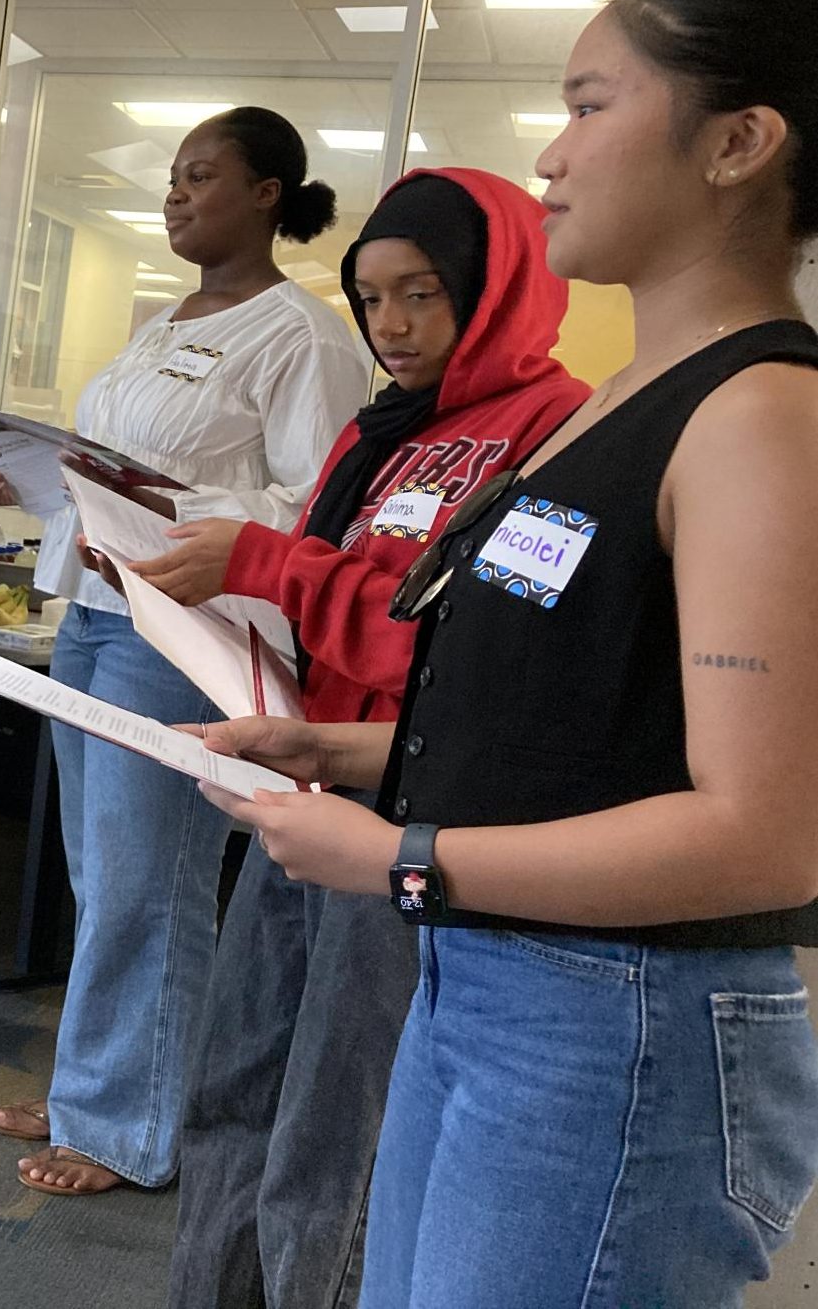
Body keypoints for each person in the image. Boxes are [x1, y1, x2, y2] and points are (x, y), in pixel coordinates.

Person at [200, 0, 818, 1307]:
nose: (549, 154)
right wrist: (344, 753)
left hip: (617, 1024)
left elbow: (762, 831)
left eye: (591, 105)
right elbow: (584, 718)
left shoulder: (762, 417)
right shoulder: (625, 400)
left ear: (738, 141)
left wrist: (402, 859)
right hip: (488, 986)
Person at [131, 169, 588, 1307]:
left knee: (335, 1132)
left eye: (423, 294)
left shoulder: (559, 431)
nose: (392, 326)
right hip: (305, 783)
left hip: (403, 814)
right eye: (372, 298)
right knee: (236, 1089)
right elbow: (327, 602)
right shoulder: (376, 431)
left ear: (496, 291)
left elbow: (458, 652)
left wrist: (265, 561)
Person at [0, 107, 369, 1195]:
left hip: (179, 635)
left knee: (154, 883)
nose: (176, 194)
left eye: (202, 176)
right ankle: (108, 1079)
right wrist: (28, 479)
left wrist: (167, 517)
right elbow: (112, 468)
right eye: (172, 178)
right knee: (103, 877)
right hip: (96, 613)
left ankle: (126, 1126)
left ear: (268, 192)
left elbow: (316, 508)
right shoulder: (166, 320)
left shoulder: (303, 335)